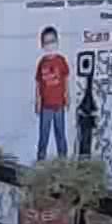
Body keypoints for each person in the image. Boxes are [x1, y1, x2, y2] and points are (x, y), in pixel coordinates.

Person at [35, 27, 71, 161]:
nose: (50, 45)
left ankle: (63, 161)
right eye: (46, 42)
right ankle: (41, 161)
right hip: (46, 106)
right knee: (43, 135)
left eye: (52, 41)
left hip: (59, 105)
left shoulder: (61, 61)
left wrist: (67, 96)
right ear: (42, 45)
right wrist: (38, 101)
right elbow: (38, 83)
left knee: (60, 134)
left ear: (57, 42)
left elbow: (66, 79)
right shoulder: (42, 63)